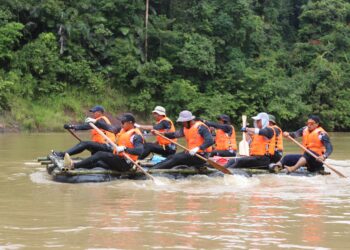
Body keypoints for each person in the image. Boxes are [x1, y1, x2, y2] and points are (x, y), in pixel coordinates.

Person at [63, 113, 144, 171]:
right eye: (121, 122)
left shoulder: (135, 136)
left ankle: (74, 165)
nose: (121, 124)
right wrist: (95, 122)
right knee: (98, 162)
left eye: (123, 122)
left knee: (100, 154)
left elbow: (139, 151)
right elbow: (108, 127)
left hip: (126, 163)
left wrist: (125, 149)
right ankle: (77, 167)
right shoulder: (122, 129)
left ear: (130, 123)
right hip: (118, 158)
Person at [52, 105, 117, 158]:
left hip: (107, 146)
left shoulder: (102, 119)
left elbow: (87, 126)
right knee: (90, 147)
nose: (93, 113)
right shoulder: (97, 121)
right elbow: (88, 126)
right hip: (102, 146)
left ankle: (62, 155)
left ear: (100, 112)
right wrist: (72, 127)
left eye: (94, 112)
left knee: (84, 144)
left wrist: (72, 126)